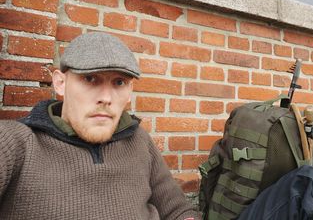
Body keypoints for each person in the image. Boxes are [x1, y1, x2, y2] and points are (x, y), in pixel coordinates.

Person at [0, 32, 200, 220]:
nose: (106, 98)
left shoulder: (139, 140)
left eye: (119, 82)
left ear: (129, 91)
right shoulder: (16, 144)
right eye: (90, 78)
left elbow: (178, 210)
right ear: (60, 83)